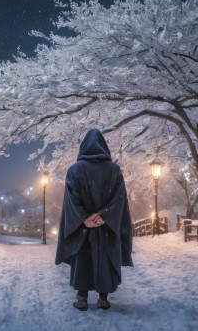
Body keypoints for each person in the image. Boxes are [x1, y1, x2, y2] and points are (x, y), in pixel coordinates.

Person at [55, 128, 133, 311]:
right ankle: (103, 298)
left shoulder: (75, 169)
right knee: (105, 258)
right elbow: (119, 197)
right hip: (106, 226)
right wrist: (104, 216)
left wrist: (84, 218)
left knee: (83, 258)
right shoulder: (114, 170)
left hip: (83, 226)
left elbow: (71, 199)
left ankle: (81, 298)